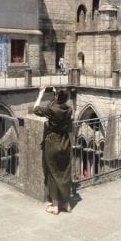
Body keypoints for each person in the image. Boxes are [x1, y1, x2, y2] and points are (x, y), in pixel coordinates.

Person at [32, 85, 73, 215]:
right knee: (65, 171)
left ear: (56, 97)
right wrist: (57, 95)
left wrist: (41, 93)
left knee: (52, 173)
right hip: (65, 142)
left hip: (52, 142)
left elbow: (36, 109)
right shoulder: (69, 108)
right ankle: (66, 204)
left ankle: (55, 206)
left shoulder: (52, 110)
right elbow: (58, 105)